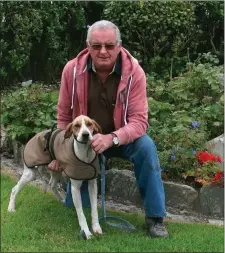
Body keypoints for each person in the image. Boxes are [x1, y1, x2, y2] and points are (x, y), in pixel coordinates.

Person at [48, 20, 169, 238]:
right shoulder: (71, 70)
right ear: (88, 45)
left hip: (121, 138)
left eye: (109, 46)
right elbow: (64, 114)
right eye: (96, 46)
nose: (103, 51)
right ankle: (82, 206)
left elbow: (140, 121)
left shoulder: (136, 73)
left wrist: (112, 138)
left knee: (146, 148)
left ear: (120, 46)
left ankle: (155, 218)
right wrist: (58, 150)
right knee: (74, 205)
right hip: (84, 141)